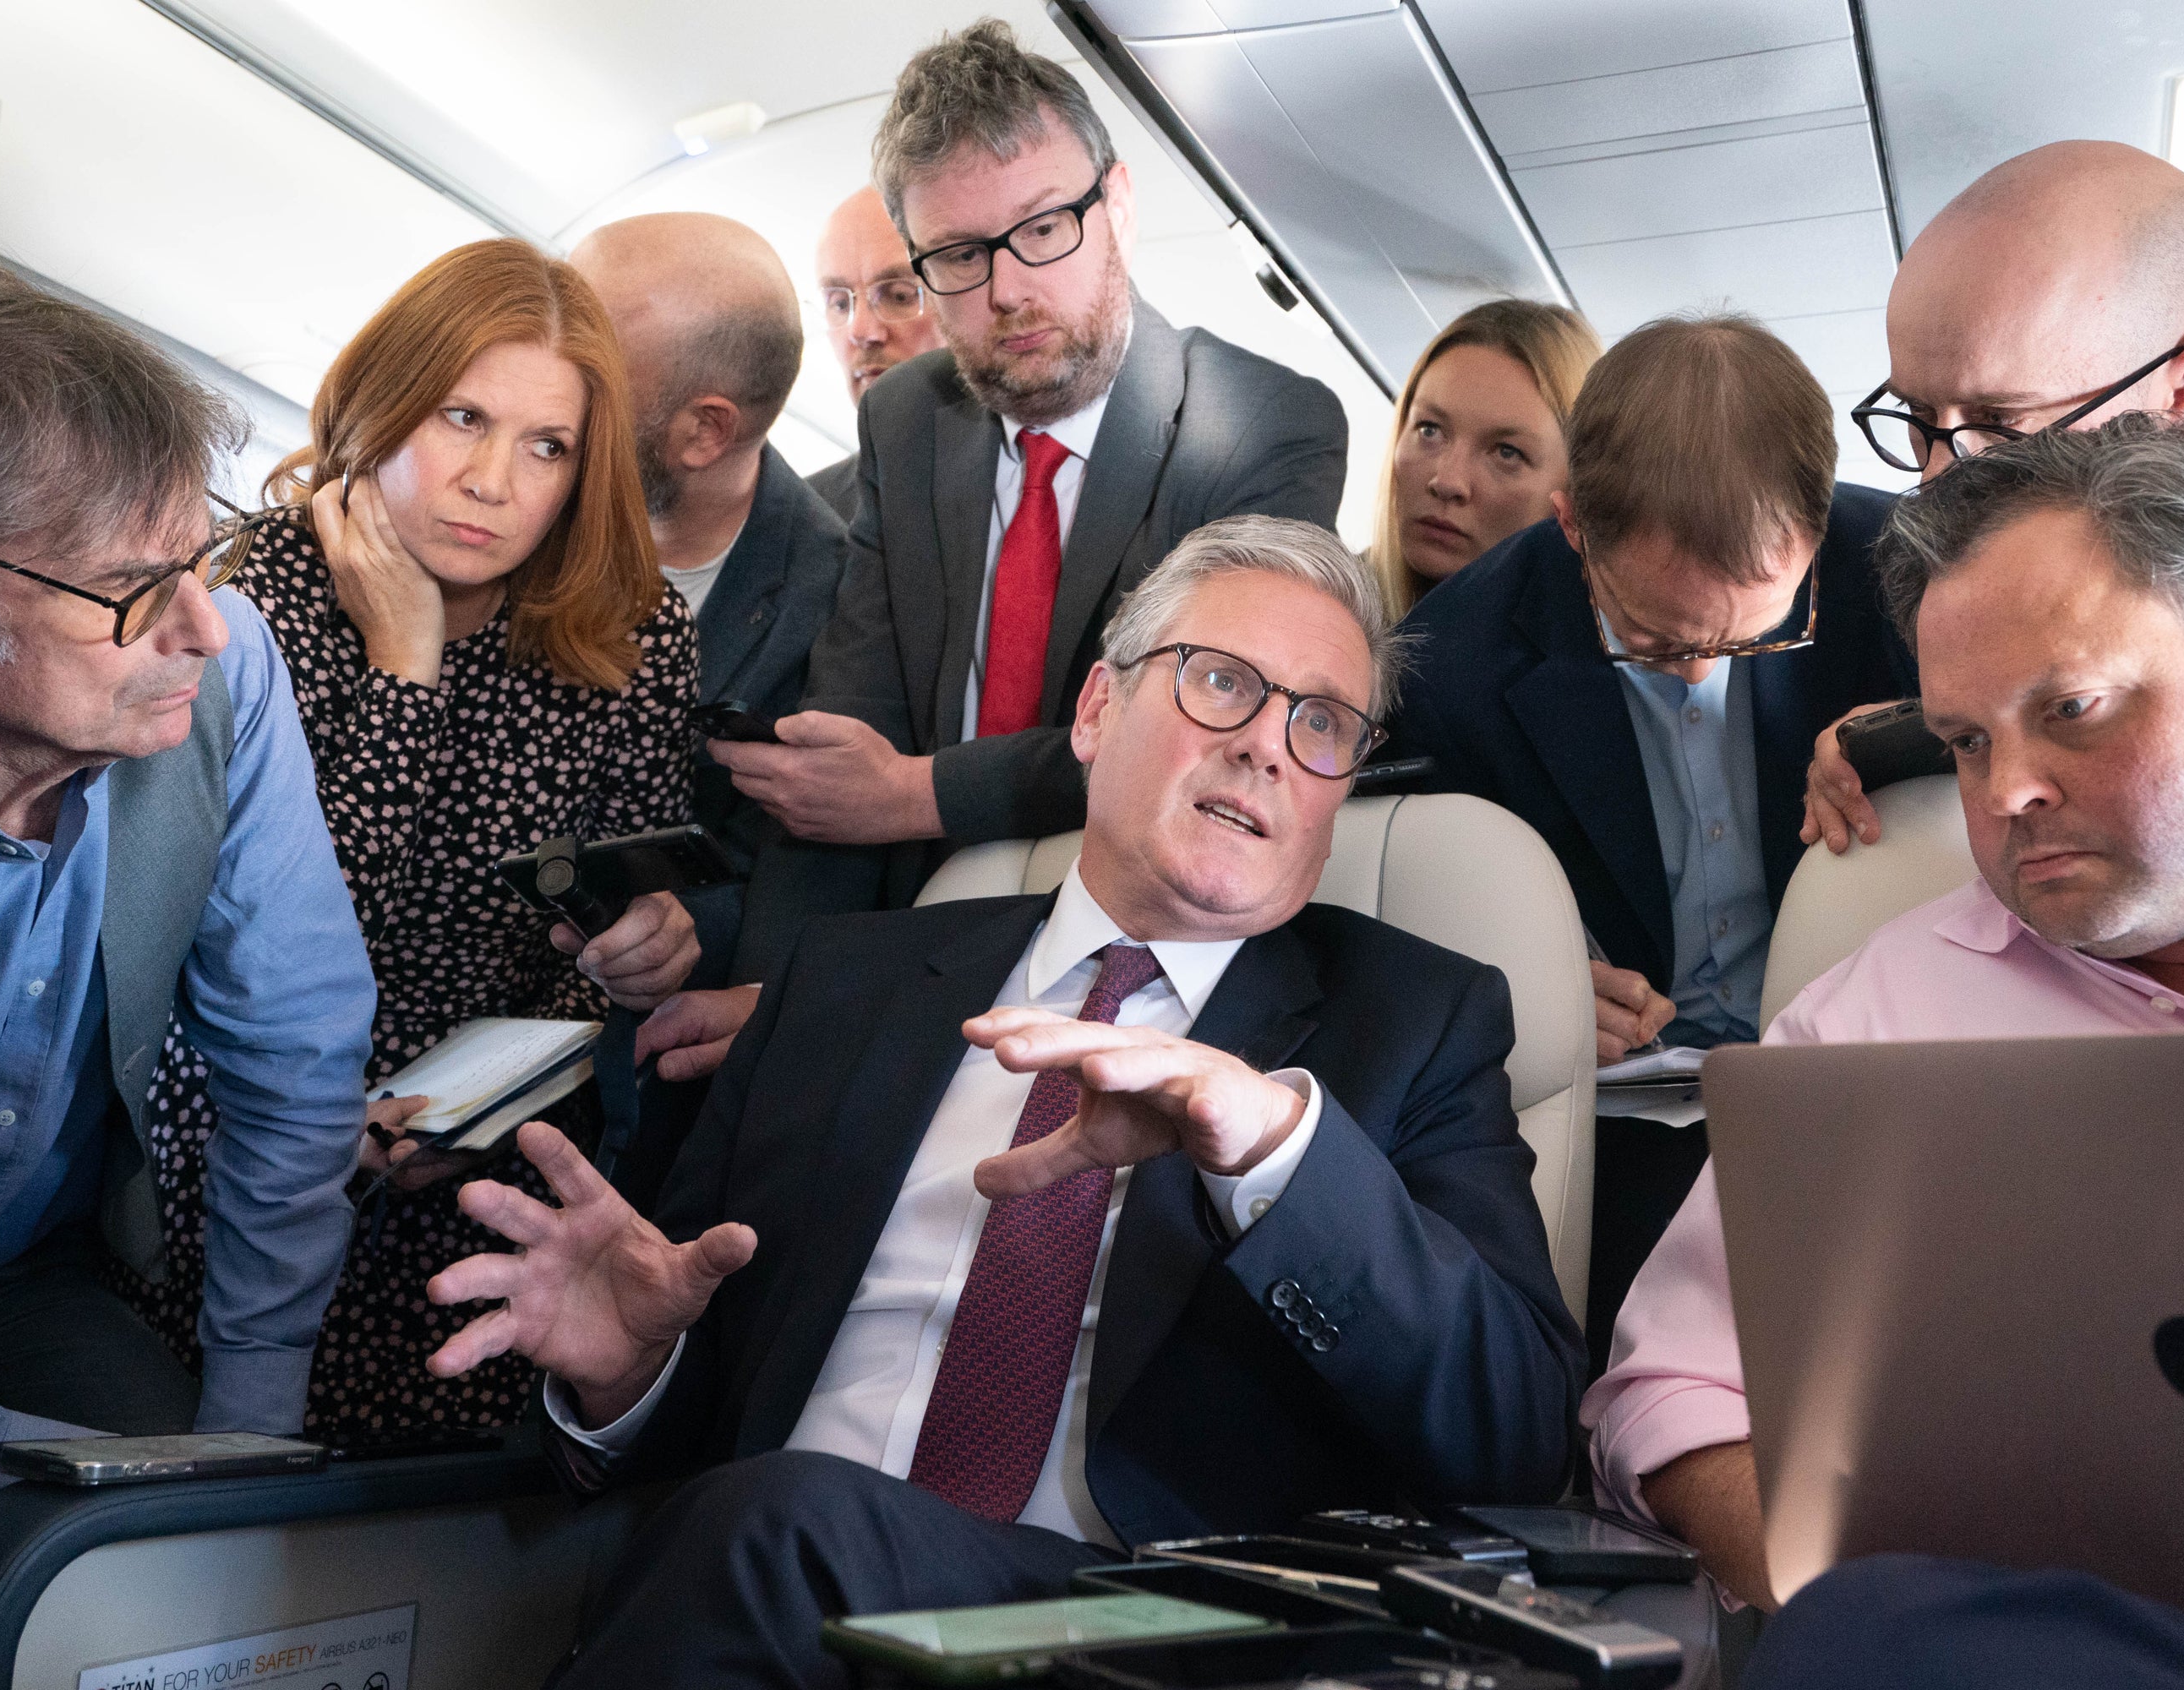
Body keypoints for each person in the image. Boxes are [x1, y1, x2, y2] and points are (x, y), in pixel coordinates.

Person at [425, 516, 1583, 1687]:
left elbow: (1516, 1437)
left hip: (1152, 1630)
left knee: (780, 1527)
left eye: (1322, 722)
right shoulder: (846, 982)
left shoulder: (1412, 1023)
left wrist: (1276, 1154)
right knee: (765, 1528)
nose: (1267, 748)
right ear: (1095, 711)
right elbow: (711, 1415)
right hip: (782, 1602)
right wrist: (630, 1376)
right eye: (1222, 684)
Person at [1583, 419, 2184, 1662]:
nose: (2005, 793)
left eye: (2072, 710)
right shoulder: (1874, 1029)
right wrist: (1930, 1607)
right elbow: (1670, 1401)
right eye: (1967, 741)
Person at [123, 238, 703, 1438]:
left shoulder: (633, 631)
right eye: (462, 419)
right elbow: (284, 942)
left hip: (497, 1144)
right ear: (385, 405)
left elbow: (598, 935)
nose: (495, 481)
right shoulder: (254, 600)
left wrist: (650, 944)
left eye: (546, 446)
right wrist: (406, 668)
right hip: (252, 1131)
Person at [0, 256, 373, 1532]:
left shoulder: (224, 673)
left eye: (199, 557)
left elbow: (297, 1045)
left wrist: (244, 1432)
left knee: (197, 1561)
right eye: (125, 589)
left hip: (11, 1281)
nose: (203, 628)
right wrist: (53, 1481)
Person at [720, 19, 1348, 987]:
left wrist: (916, 793)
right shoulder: (907, 418)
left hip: (1128, 943)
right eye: (959, 256)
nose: (1009, 289)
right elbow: (842, 758)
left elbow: (1194, 742)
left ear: (1120, 208)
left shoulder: (1264, 427)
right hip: (906, 937)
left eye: (1044, 229)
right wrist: (775, 1002)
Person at [1382, 314, 1912, 1347]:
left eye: (1758, 631)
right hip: (1621, 1118)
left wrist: (1923, 728)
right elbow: (1407, 932)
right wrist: (1520, 979)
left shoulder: (1915, 570)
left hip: (1871, 1065)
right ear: (1572, 524)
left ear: (1820, 525)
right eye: (1658, 640)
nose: (1705, 671)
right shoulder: (1445, 669)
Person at [1805, 137, 2184, 854]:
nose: (1937, 482)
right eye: (1917, 417)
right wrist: (1900, 740)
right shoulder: (1939, 580)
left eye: (2003, 422)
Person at [570, 213, 851, 972]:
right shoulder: (506, 511)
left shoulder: (837, 617)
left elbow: (785, 871)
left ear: (703, 433)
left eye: (589, 369)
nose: (546, 377)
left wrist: (683, 931)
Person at [1367, 297, 1599, 617]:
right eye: (1429, 430)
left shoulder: (1587, 663)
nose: (1447, 482)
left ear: (1575, 491)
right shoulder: (1315, 607)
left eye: (1507, 452)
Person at [805, 184, 949, 521]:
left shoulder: (1035, 485)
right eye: (839, 304)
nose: (861, 333)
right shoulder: (806, 519)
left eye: (899, 296)